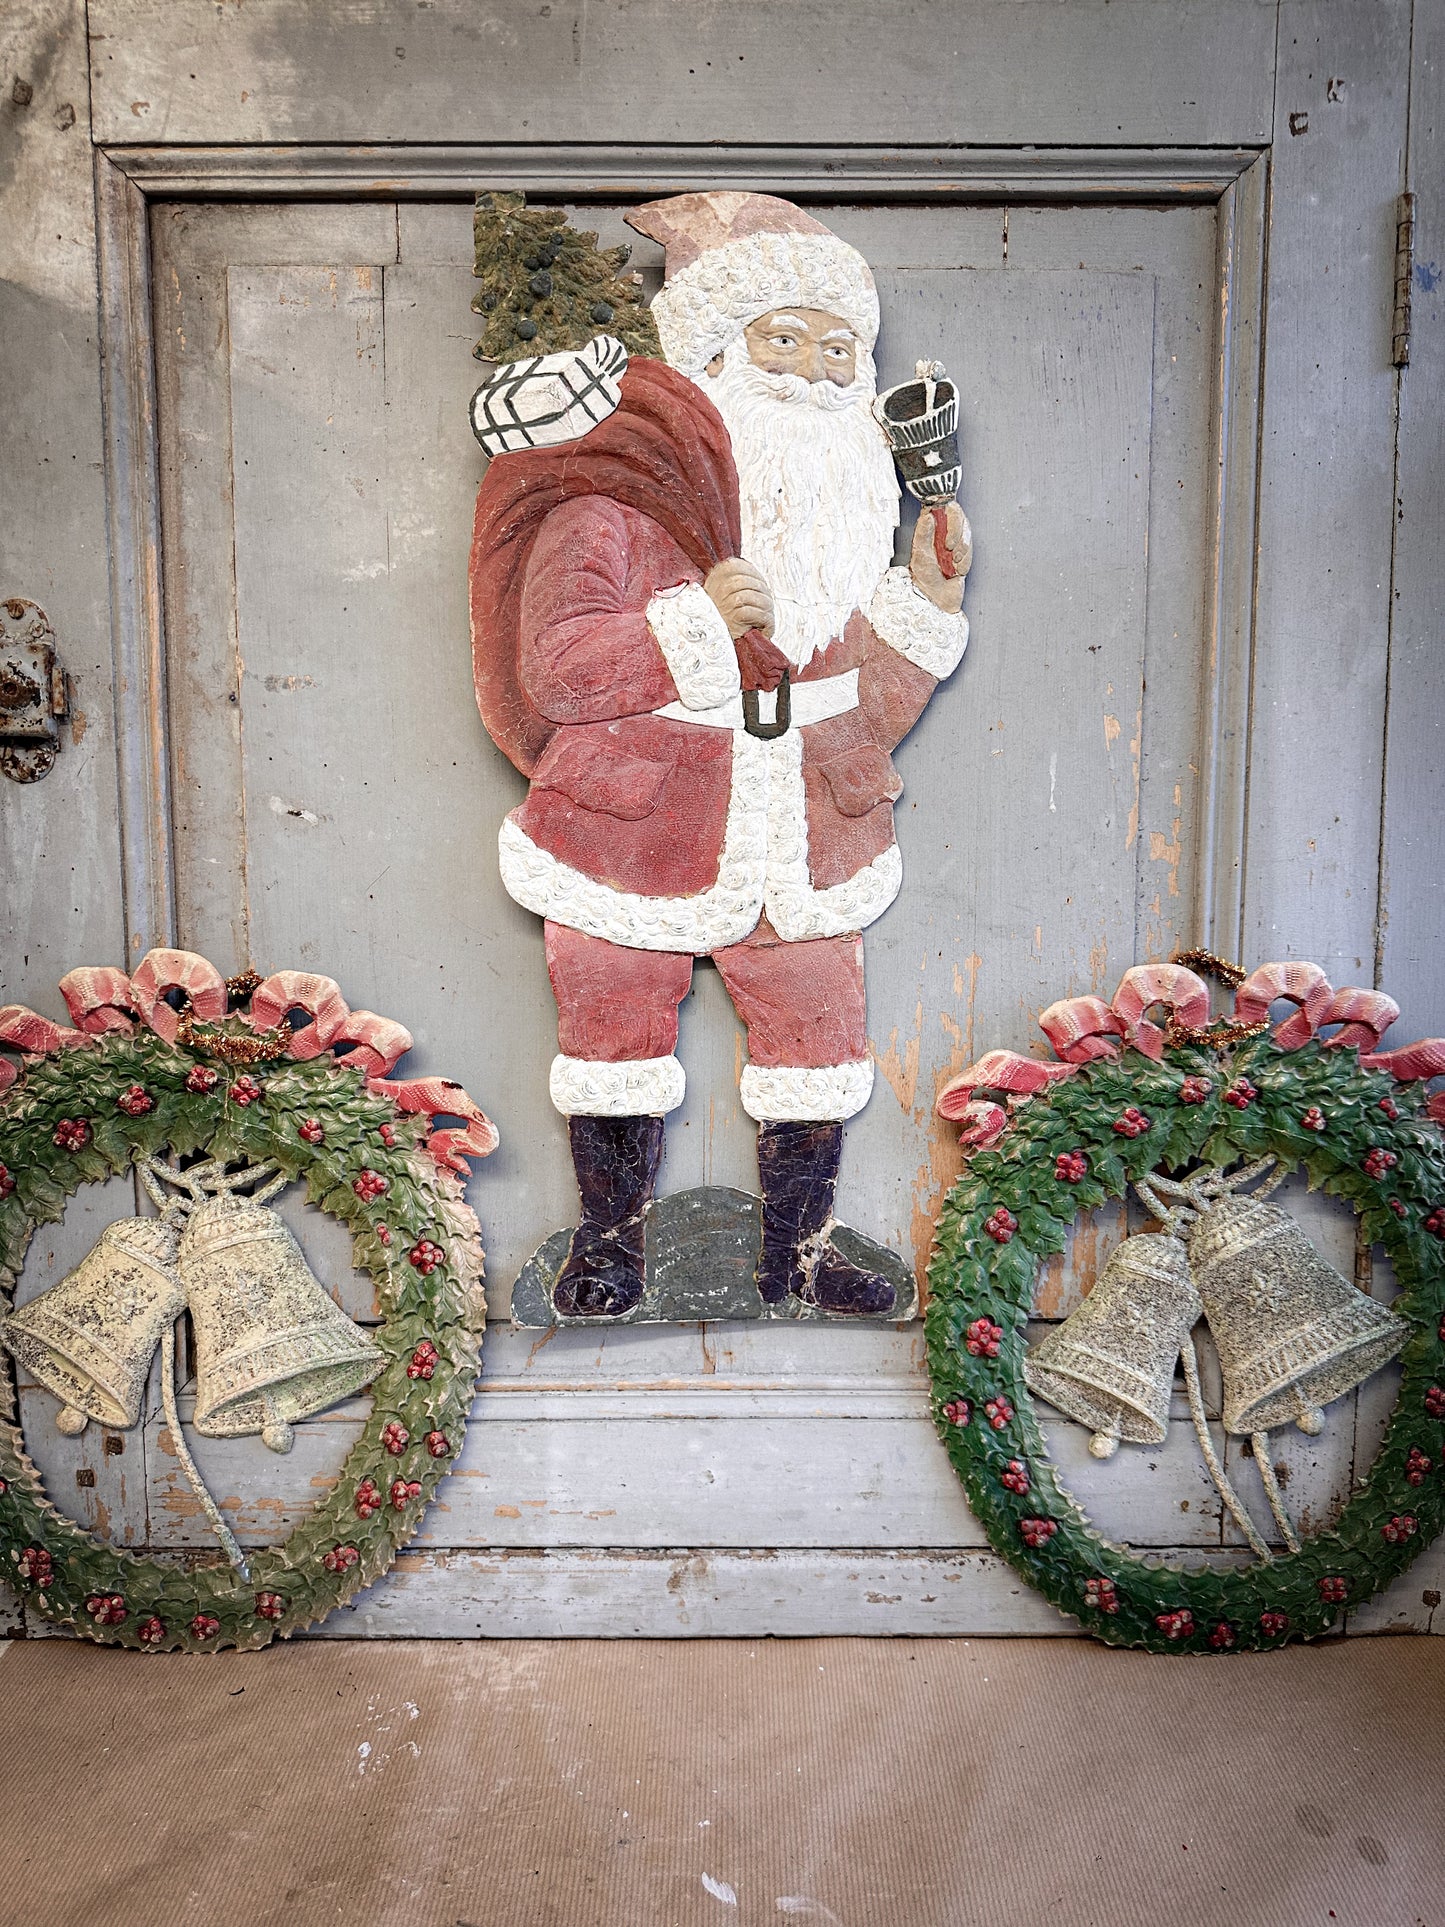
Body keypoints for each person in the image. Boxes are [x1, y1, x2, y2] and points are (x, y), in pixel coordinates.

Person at [470, 192, 970, 1318]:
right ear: (710, 355)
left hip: (802, 835)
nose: (808, 372)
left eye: (836, 349)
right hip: (630, 825)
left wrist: (922, 596)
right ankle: (611, 1246)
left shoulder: (841, 528)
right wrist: (691, 618)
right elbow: (554, 663)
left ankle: (795, 1256)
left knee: (816, 1037)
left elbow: (860, 705)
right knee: (610, 1029)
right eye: (780, 341)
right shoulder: (612, 500)